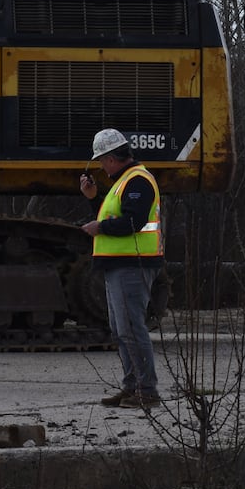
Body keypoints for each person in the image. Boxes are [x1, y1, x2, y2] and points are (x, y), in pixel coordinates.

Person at [79, 127, 164, 409]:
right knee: (121, 330)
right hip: (120, 264)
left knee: (130, 329)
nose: (102, 167)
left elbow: (132, 222)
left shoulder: (137, 181)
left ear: (111, 158)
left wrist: (99, 226)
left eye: (102, 161)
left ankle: (147, 391)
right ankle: (132, 387)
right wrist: (93, 199)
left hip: (133, 264)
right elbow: (118, 215)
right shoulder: (124, 182)